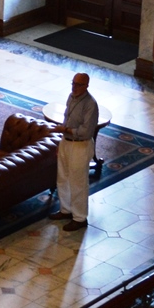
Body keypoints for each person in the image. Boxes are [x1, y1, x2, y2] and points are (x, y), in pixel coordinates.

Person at [54, 72, 99, 232]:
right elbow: (67, 118)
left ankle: (79, 218)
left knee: (78, 181)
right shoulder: (71, 97)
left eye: (78, 85)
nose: (74, 87)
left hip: (80, 145)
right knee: (63, 177)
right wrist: (63, 138)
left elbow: (86, 131)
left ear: (86, 86)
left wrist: (65, 129)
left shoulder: (90, 104)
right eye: (73, 83)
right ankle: (65, 210)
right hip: (66, 142)